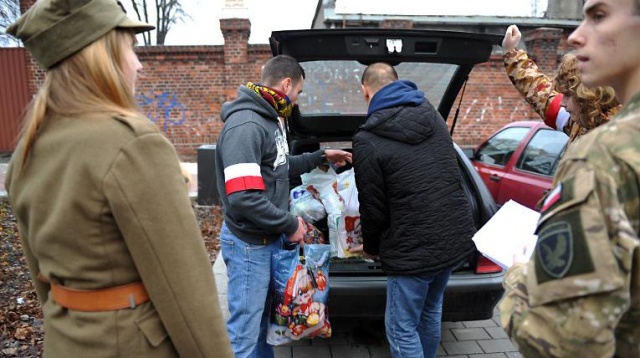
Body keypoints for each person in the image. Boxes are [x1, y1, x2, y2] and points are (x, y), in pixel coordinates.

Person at [3, 1, 233, 357]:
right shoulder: (133, 143)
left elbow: (42, 280)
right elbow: (188, 295)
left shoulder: (29, 149)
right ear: (102, 56)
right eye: (130, 48)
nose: (138, 64)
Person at [499, 0, 640, 356]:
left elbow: (561, 341)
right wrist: (515, 56)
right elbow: (544, 96)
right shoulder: (582, 121)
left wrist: (518, 278)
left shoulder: (602, 154)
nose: (576, 36)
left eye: (599, 16)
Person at [214, 54, 352, 357]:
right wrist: (291, 223)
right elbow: (243, 196)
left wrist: (319, 157)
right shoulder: (247, 125)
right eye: (299, 92)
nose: (298, 100)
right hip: (249, 246)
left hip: (266, 240)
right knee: (244, 335)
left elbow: (278, 166)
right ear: (287, 83)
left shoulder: (268, 119)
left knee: (265, 326)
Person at [351, 62, 477, 358]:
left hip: (411, 252)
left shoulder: (367, 139)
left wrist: (370, 247)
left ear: (364, 91)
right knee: (430, 312)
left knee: (401, 328)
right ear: (398, 82)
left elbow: (373, 208)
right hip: (450, 241)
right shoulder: (432, 115)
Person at [502, 24, 619, 143]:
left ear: (590, 96)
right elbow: (541, 94)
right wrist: (511, 53)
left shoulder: (620, 140)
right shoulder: (583, 121)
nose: (562, 103)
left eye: (568, 95)